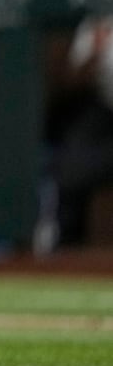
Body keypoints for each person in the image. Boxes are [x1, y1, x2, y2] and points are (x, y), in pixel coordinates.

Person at [34, 14, 113, 253]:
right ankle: (63, 248)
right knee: (69, 166)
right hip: (101, 119)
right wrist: (97, 52)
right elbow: (68, 84)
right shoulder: (97, 23)